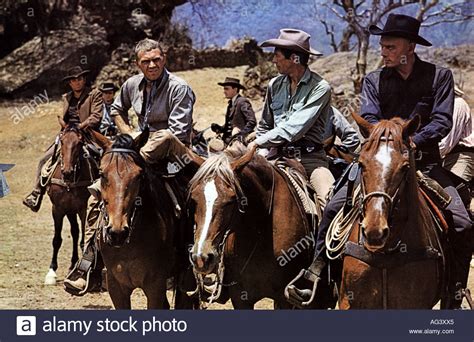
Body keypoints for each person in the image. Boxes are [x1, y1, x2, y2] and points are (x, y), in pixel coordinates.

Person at [288, 14, 472, 309]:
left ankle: (454, 289)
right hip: (376, 163)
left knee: (462, 223)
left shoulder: (440, 77)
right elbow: (370, 118)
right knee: (333, 208)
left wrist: (410, 142)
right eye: (382, 46)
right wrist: (387, 141)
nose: (383, 52)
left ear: (409, 47)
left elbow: (442, 121)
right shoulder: (374, 80)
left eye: (390, 47)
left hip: (424, 164)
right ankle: (317, 275)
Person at [64, 38, 196, 295]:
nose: (152, 65)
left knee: (191, 199)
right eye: (146, 61)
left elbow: (178, 132)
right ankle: (88, 262)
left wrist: (133, 148)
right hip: (135, 151)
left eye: (157, 59)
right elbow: (116, 109)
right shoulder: (130, 85)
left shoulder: (179, 87)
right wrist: (127, 134)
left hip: (170, 152)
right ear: (138, 64)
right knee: (97, 194)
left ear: (164, 58)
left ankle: (191, 263)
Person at [248, 28, 334, 210]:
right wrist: (262, 153)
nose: (273, 60)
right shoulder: (275, 85)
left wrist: (257, 143)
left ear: (294, 58)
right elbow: (265, 125)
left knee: (330, 204)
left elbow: (294, 128)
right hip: (276, 156)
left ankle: (327, 238)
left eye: (277, 55)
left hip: (310, 159)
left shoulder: (320, 88)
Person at [23, 66, 103, 212]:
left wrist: (81, 126)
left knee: (101, 157)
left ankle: (105, 193)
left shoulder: (94, 94)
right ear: (70, 83)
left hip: (88, 134)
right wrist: (64, 125)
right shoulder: (66, 97)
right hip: (67, 134)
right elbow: (63, 116)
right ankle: (36, 193)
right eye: (74, 80)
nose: (77, 82)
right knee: (44, 159)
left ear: (84, 79)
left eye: (80, 79)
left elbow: (96, 116)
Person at [439, 85, 473, 183]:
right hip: (445, 155)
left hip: (462, 155)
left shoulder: (457, 104)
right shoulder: (439, 108)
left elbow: (446, 143)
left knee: (450, 190)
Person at [211, 77, 256, 144]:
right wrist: (219, 128)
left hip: (238, 142)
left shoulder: (242, 102)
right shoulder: (231, 104)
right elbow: (230, 125)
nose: (224, 91)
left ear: (235, 89)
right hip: (227, 140)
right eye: (224, 89)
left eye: (227, 89)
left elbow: (252, 122)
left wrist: (241, 134)